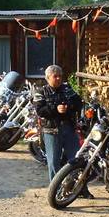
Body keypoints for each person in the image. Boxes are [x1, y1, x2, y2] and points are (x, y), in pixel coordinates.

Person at [33, 65, 92, 197]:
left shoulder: (67, 89)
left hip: (69, 128)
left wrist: (69, 107)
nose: (58, 78)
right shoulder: (41, 91)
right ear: (48, 78)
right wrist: (56, 109)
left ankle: (81, 188)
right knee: (54, 162)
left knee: (77, 159)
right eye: (55, 76)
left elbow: (78, 102)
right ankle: (56, 191)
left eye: (60, 75)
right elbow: (40, 110)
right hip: (51, 131)